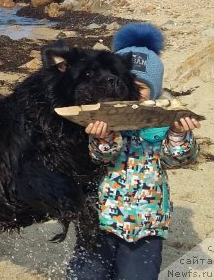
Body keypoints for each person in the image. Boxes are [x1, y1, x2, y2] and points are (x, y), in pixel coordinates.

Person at [67, 23, 200, 280]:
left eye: (143, 86)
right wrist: (104, 137)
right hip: (101, 219)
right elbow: (99, 157)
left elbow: (178, 158)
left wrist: (178, 133)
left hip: (147, 226)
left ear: (155, 88)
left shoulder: (164, 121)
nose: (135, 92)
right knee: (86, 274)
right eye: (130, 84)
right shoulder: (102, 117)